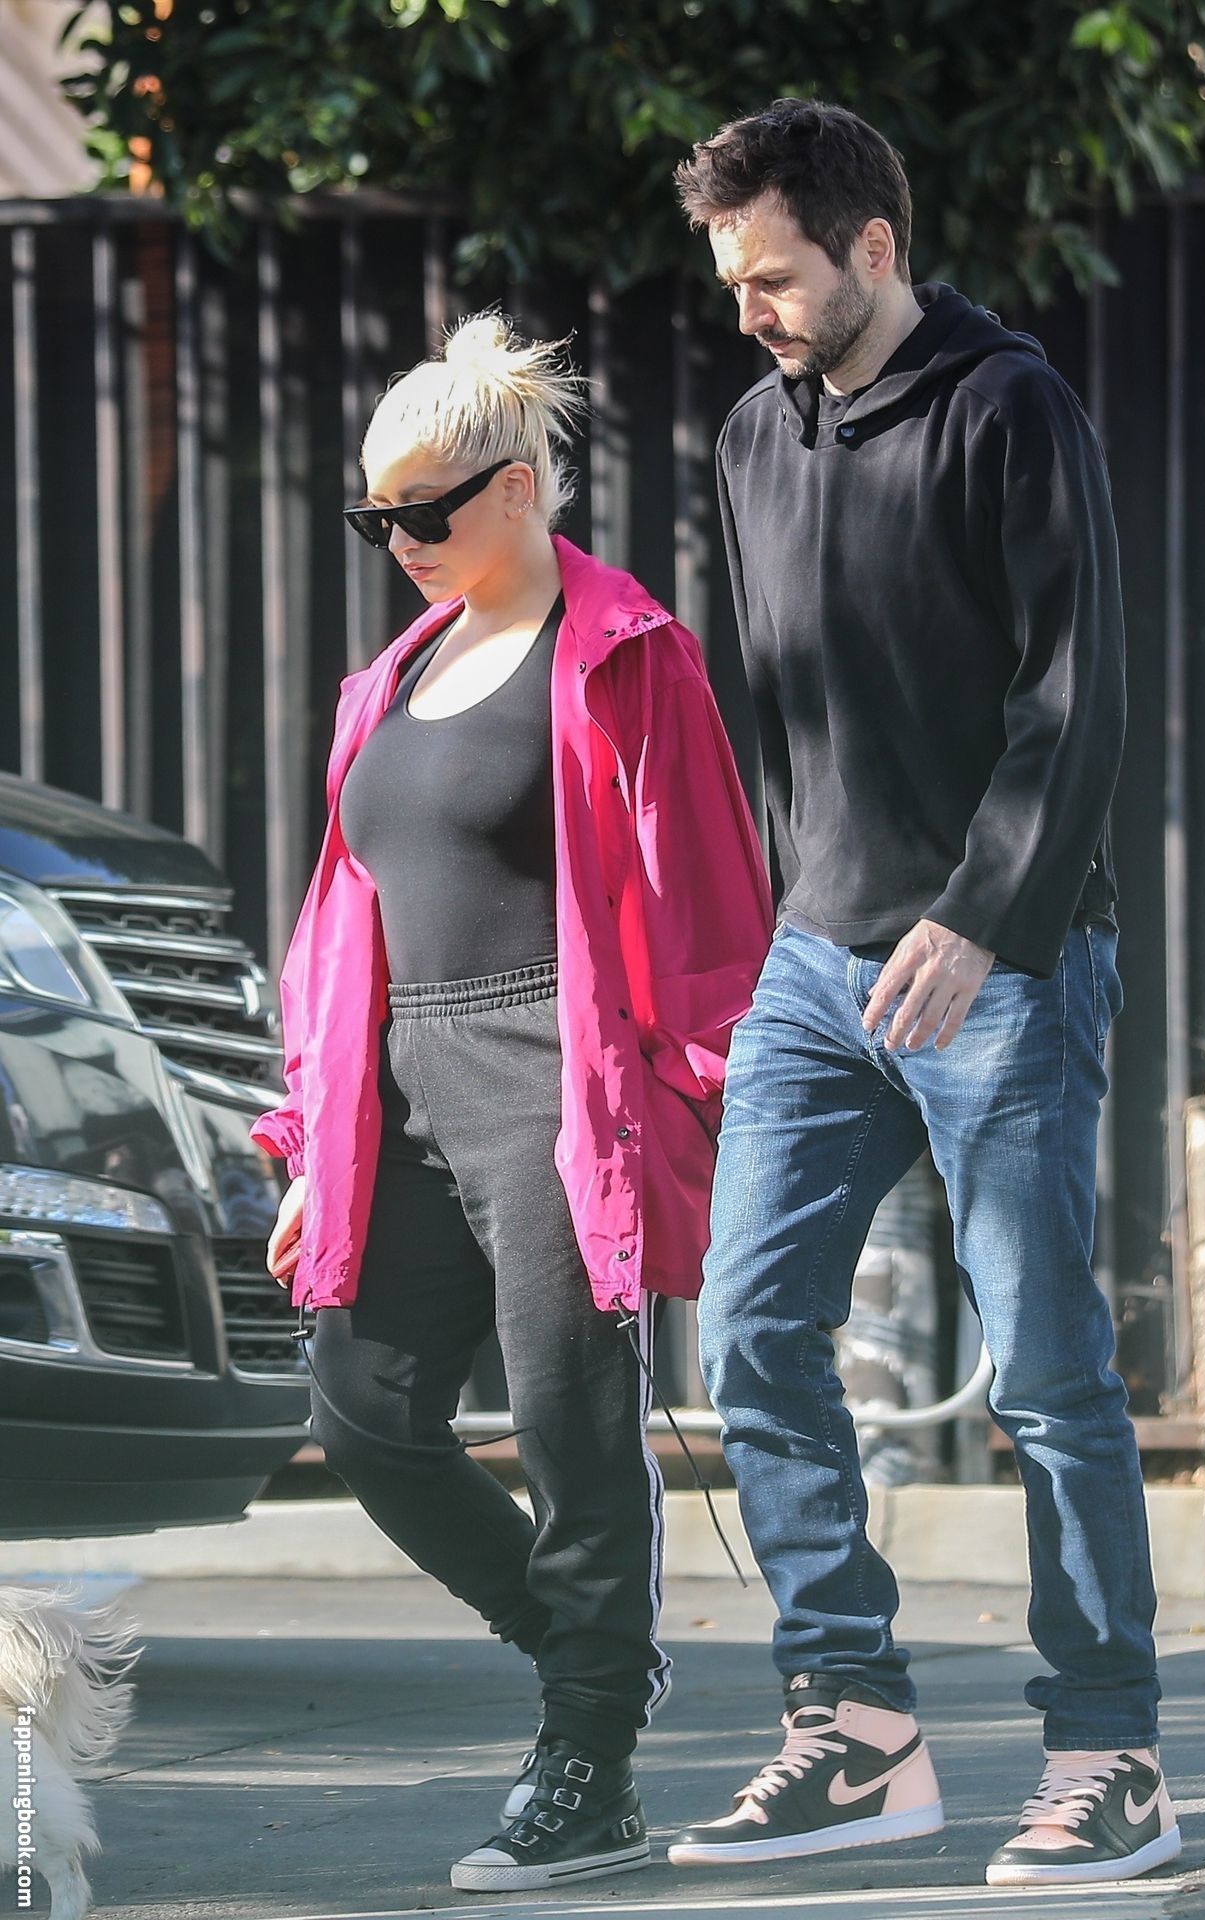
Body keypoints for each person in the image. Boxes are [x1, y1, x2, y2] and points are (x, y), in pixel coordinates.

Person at [667, 99, 1182, 1888]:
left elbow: (1076, 693)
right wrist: (787, 931)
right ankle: (856, 1728)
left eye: (773, 277)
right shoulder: (753, 435)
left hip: (1000, 969)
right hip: (819, 973)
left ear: (874, 247)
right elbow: (784, 718)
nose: (750, 310)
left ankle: (1111, 1754)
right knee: (749, 1331)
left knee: (1045, 1374)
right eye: (732, 282)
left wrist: (978, 917)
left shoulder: (1008, 408)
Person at [251, 313, 772, 1893]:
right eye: (376, 518)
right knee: (363, 1410)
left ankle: (588, 1762)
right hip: (400, 1082)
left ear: (522, 485)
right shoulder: (390, 677)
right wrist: (312, 1140)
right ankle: (586, 1658)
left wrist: (714, 1099)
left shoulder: (622, 652)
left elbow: (706, 898)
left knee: (567, 1417)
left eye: (425, 509)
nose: (399, 542)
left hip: (558, 1074)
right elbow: (342, 916)